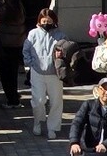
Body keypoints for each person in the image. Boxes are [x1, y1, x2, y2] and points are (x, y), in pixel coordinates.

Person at [23, 8, 67, 139]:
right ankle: (38, 121)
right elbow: (26, 50)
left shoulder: (60, 35)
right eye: (44, 21)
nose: (46, 23)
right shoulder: (33, 34)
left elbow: (67, 50)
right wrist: (30, 63)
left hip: (55, 73)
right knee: (38, 100)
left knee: (56, 101)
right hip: (37, 72)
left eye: (49, 21)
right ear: (39, 21)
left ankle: (52, 127)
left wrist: (61, 56)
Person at [68, 77, 107, 156]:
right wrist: (74, 142)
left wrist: (106, 144)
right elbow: (77, 123)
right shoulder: (89, 105)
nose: (106, 92)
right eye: (103, 89)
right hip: (89, 149)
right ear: (98, 90)